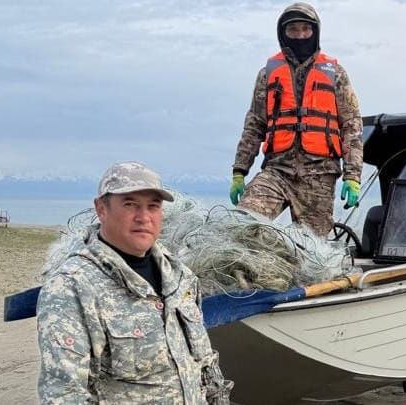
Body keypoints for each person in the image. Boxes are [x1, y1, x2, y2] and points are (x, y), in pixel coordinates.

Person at [36, 162, 232, 404]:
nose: (144, 217)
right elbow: (63, 395)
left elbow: (205, 369)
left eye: (153, 206)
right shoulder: (73, 287)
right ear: (101, 209)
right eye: (130, 204)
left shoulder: (180, 278)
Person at [230, 2, 364, 237]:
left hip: (319, 175)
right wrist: (240, 171)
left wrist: (353, 176)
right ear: (283, 33)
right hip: (277, 170)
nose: (300, 35)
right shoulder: (268, 74)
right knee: (243, 227)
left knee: (314, 251)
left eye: (305, 29)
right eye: (293, 30)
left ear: (315, 32)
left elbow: (351, 126)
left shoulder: (336, 74)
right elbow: (254, 125)